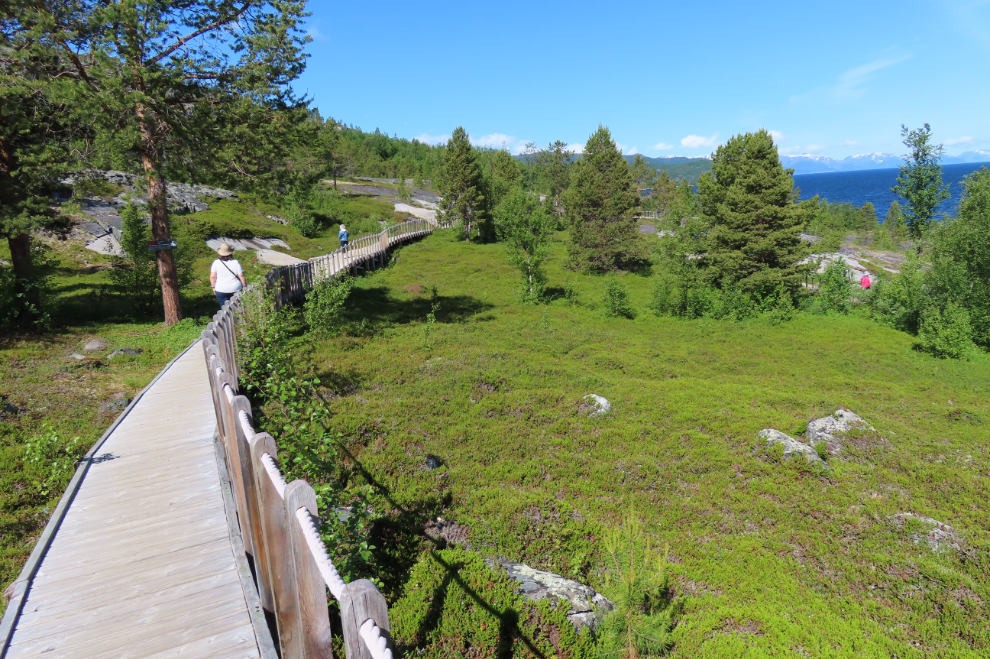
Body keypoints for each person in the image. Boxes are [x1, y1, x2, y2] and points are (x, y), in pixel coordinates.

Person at [210, 243, 246, 307]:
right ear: (230, 253)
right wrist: (244, 286)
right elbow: (241, 275)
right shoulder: (235, 262)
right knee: (237, 306)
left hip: (221, 289)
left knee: (224, 307)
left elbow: (213, 276)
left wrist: (213, 287)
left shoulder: (216, 262)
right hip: (235, 288)